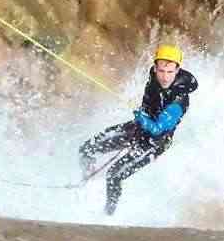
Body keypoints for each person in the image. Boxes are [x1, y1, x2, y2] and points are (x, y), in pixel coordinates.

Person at [79, 44, 199, 215]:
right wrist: (142, 116)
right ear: (155, 67)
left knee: (114, 176)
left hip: (155, 143)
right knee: (87, 149)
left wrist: (142, 117)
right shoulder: (153, 77)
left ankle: (107, 216)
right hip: (138, 128)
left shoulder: (179, 100)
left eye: (170, 72)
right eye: (161, 71)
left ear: (178, 70)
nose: (165, 77)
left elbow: (157, 128)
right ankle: (87, 179)